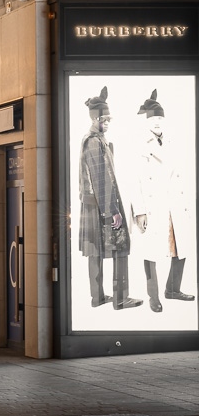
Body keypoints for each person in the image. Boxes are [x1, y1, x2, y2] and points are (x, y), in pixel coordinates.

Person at [78, 87, 140, 310]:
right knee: (120, 247)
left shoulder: (93, 140)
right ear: (95, 118)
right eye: (104, 119)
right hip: (101, 205)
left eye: (108, 119)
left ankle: (98, 298)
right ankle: (120, 299)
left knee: (95, 252)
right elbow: (101, 178)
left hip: (93, 205)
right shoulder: (94, 141)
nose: (107, 123)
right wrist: (112, 210)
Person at [132, 90, 195, 312]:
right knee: (151, 252)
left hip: (174, 204)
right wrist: (139, 211)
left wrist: (186, 204)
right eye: (153, 119)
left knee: (179, 246)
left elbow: (182, 173)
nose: (157, 122)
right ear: (147, 121)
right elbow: (135, 180)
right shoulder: (140, 144)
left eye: (160, 118)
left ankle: (173, 289)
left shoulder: (172, 141)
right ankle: (154, 296)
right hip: (153, 205)